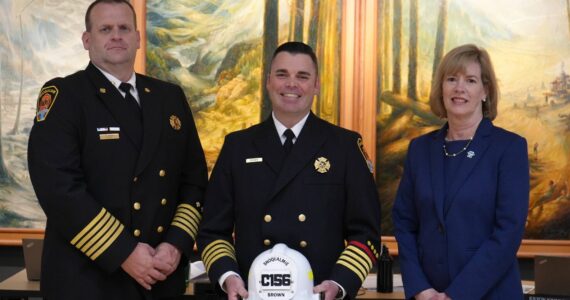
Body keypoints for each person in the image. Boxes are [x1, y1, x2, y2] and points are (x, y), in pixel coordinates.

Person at [27, 0, 208, 299]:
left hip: (160, 276)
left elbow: (194, 181)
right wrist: (124, 253)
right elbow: (58, 188)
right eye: (105, 29)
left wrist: (176, 244)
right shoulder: (65, 95)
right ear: (87, 40)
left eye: (124, 28)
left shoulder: (169, 97)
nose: (116, 35)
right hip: (89, 279)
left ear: (137, 38)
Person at [196, 41, 381, 300]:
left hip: (319, 294)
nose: (291, 84)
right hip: (252, 294)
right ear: (268, 81)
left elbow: (366, 232)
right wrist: (229, 277)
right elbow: (213, 230)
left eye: (302, 76)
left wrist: (339, 283)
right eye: (282, 74)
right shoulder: (238, 146)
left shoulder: (345, 147)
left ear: (316, 85)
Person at [392, 44, 529, 300]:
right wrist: (420, 288)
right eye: (451, 79)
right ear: (441, 88)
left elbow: (508, 233)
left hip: (489, 294)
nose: (459, 88)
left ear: (485, 91)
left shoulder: (509, 148)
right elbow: (403, 222)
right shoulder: (420, 149)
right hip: (428, 294)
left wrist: (457, 295)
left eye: (471, 80)